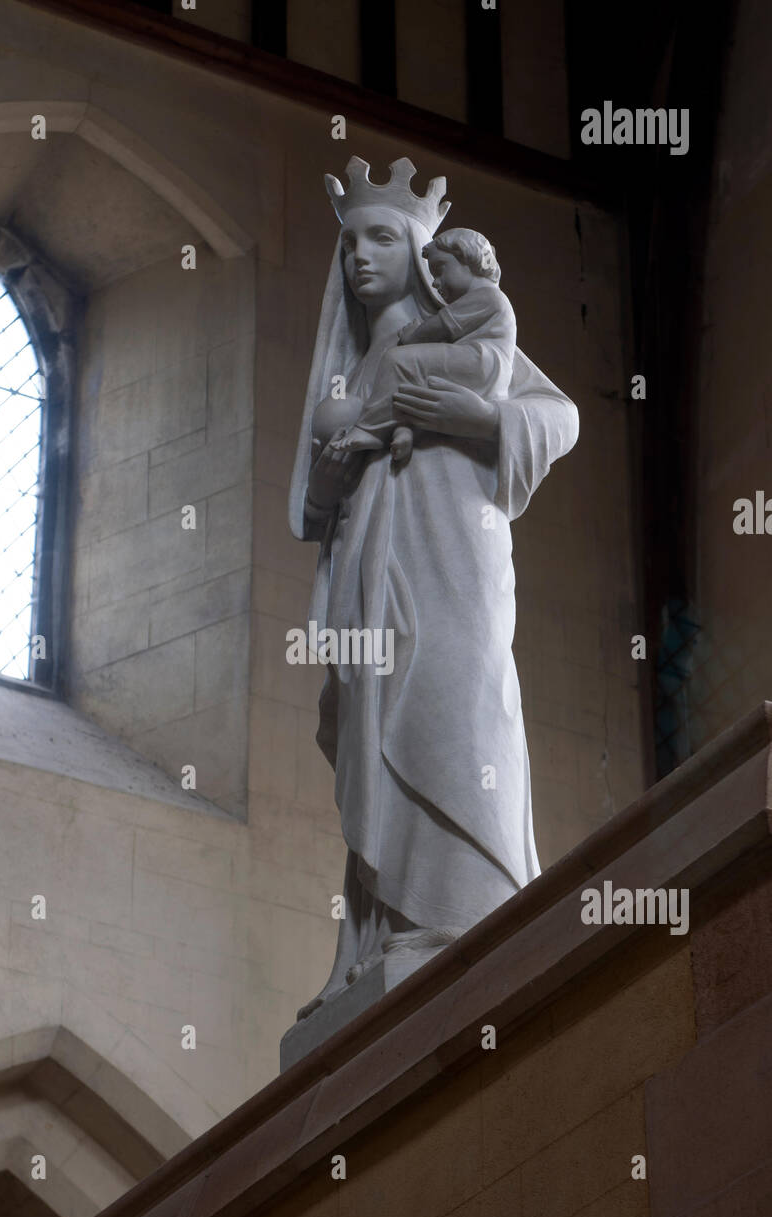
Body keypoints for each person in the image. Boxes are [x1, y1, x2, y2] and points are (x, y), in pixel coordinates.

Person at [288, 157, 579, 1020]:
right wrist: (341, 465)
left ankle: (466, 917)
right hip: (372, 559)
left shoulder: (456, 326)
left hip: (453, 544)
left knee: (455, 699)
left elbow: (557, 415)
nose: (359, 258)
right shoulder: (358, 359)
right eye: (348, 244)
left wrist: (480, 419)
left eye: (382, 237)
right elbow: (313, 501)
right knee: (378, 715)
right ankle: (392, 927)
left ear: (422, 252)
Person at [325, 227, 515, 467]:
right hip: (477, 363)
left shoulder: (486, 296)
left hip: (482, 362)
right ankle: (403, 430)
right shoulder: (483, 300)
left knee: (398, 360)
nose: (435, 283)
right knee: (416, 385)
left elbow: (440, 326)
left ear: (468, 259)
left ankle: (369, 429)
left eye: (439, 270)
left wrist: (413, 336)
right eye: (351, 246)